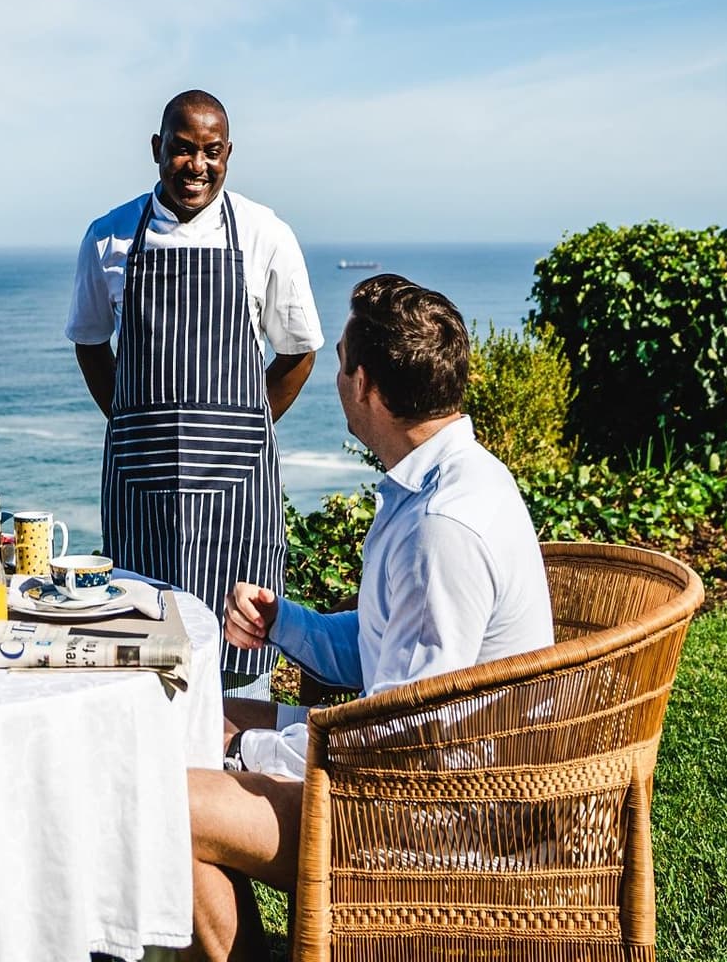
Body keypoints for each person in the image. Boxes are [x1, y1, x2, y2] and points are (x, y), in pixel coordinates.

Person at [182, 274, 555, 962]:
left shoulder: (442, 527)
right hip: (428, 767)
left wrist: (245, 752)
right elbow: (391, 654)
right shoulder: (443, 481)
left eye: (342, 361)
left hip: (436, 818)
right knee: (193, 720)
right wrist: (283, 623)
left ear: (365, 387)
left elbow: (398, 737)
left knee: (161, 802)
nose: (336, 377)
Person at [67, 89, 323, 682]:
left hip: (240, 495)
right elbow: (89, 343)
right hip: (140, 488)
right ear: (158, 150)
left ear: (229, 154)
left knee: (242, 658)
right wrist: (130, 423)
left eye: (212, 152)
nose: (197, 166)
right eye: (183, 151)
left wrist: (246, 429)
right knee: (141, 657)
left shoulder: (265, 234)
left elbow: (299, 352)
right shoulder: (108, 237)